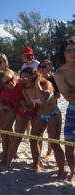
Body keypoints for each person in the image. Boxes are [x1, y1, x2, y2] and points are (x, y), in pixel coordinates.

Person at [21, 67, 66, 177]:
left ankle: (61, 171)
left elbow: (43, 98)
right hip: (40, 115)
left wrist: (37, 83)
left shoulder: (47, 84)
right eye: (22, 78)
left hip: (53, 114)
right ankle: (36, 165)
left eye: (26, 77)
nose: (23, 80)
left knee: (55, 143)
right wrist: (25, 106)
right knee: (33, 140)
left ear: (34, 76)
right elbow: (31, 106)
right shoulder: (25, 90)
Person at [0, 70, 36, 165]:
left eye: (12, 79)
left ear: (14, 76)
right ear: (3, 85)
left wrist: (25, 103)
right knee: (13, 136)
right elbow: (6, 105)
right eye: (7, 82)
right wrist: (5, 106)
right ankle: (7, 162)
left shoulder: (22, 83)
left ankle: (37, 163)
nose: (11, 82)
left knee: (36, 139)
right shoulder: (5, 93)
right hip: (21, 113)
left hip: (36, 111)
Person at [54, 37, 75, 183]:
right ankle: (73, 171)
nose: (73, 53)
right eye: (69, 50)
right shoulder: (59, 74)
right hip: (73, 110)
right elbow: (68, 96)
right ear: (63, 53)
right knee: (69, 145)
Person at [38, 60, 61, 161]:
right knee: (38, 134)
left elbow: (59, 95)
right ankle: (38, 155)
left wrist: (48, 97)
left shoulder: (53, 79)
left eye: (43, 66)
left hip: (51, 109)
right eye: (40, 66)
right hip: (39, 109)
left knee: (51, 133)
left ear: (49, 68)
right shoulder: (37, 79)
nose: (41, 68)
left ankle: (48, 153)